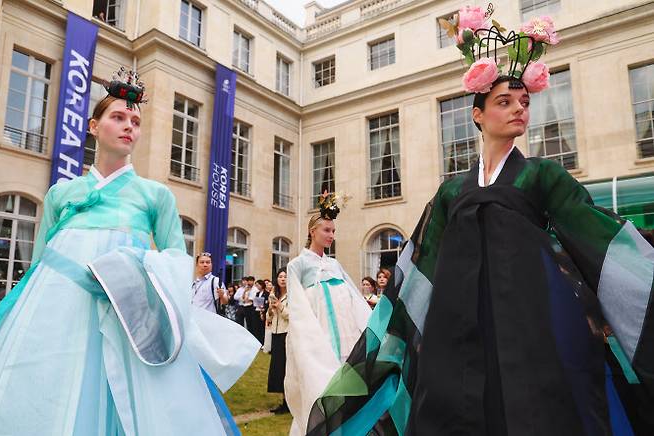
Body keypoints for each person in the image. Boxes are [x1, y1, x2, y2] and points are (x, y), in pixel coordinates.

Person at [306, 8, 654, 435]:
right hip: (456, 324)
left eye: (524, 102)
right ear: (477, 114)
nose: (518, 110)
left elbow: (595, 233)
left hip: (531, 321)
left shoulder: (543, 176)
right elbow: (422, 261)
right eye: (504, 102)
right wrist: (399, 318)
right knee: (453, 406)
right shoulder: (452, 192)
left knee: (536, 409)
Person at [0, 68, 259, 435]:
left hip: (124, 317)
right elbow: (39, 262)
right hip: (56, 313)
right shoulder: (61, 193)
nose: (128, 127)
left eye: (135, 121)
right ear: (93, 126)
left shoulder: (155, 196)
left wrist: (133, 266)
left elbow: (175, 261)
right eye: (118, 117)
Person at [284, 191, 371, 435]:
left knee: (346, 384)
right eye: (327, 231)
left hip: (345, 334)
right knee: (321, 384)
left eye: (333, 231)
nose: (331, 235)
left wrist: (371, 326)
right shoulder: (297, 265)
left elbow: (355, 298)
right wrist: (307, 341)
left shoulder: (335, 265)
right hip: (317, 334)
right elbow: (298, 306)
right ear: (313, 231)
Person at [266, 267, 289, 414]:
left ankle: (288, 402)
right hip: (275, 333)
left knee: (286, 368)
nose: (282, 279)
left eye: (285, 276)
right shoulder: (273, 295)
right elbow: (269, 318)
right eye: (280, 276)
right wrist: (271, 310)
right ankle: (284, 400)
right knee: (278, 369)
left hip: (287, 334)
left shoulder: (293, 296)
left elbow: (292, 316)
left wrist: (280, 307)